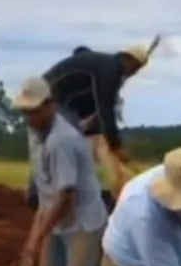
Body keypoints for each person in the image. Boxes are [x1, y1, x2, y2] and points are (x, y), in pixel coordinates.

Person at [13, 76, 108, 266]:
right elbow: (46, 190)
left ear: (50, 105)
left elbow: (67, 197)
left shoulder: (61, 140)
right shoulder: (35, 133)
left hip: (83, 222)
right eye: (25, 112)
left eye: (34, 111)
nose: (29, 118)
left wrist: (37, 238)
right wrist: (33, 239)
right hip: (56, 218)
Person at [42, 44, 151, 197]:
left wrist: (100, 130)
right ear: (128, 59)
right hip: (47, 97)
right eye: (136, 67)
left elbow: (96, 104)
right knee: (68, 144)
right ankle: (51, 193)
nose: (135, 72)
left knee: (76, 143)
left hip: (59, 99)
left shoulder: (104, 66)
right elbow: (105, 107)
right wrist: (115, 144)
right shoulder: (110, 69)